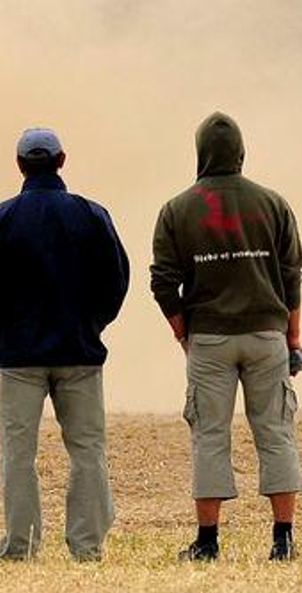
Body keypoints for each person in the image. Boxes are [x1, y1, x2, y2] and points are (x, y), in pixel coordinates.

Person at [0, 128, 129, 562]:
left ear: (19, 165)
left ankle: (21, 546)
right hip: (80, 353)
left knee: (19, 454)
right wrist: (93, 325)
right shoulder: (92, 215)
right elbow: (116, 279)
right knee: (88, 449)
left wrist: (1, 328)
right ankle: (87, 545)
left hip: (19, 357)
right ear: (62, 160)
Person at [150, 112, 301, 562]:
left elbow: (163, 282)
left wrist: (185, 336)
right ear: (240, 152)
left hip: (210, 339)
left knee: (209, 435)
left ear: (200, 154)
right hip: (266, 336)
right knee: (275, 432)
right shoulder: (273, 204)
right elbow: (292, 279)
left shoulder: (177, 209)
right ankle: (283, 538)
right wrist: (293, 340)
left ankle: (208, 541)